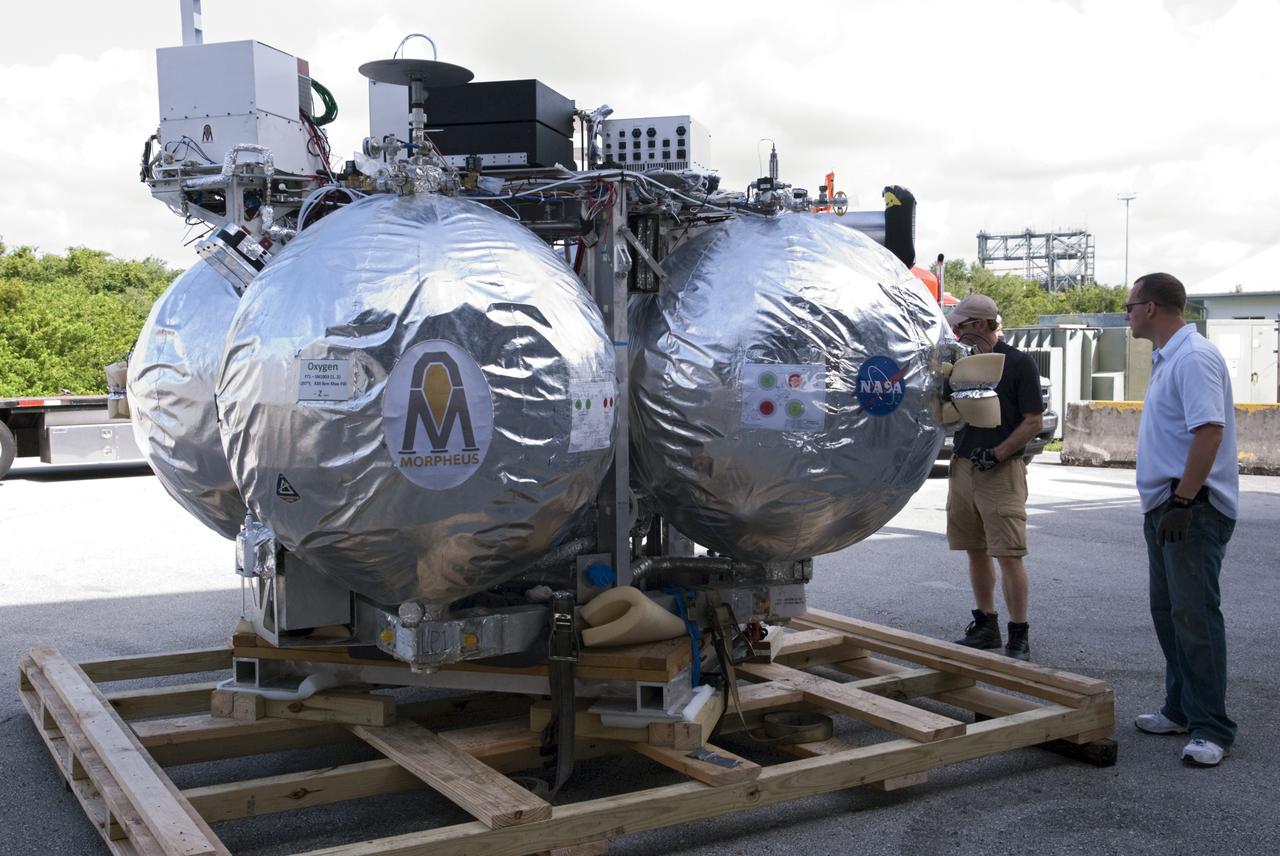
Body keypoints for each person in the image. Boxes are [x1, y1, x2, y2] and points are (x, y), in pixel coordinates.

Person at [1126, 272, 1239, 767]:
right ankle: (1180, 708)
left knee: (1194, 617)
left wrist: (1185, 501)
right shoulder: (1169, 357)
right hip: (1167, 505)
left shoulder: (1193, 357)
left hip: (1191, 509)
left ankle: (1211, 727)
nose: (1127, 315)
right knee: (1170, 613)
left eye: (1130, 306)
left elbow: (1209, 432)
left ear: (1151, 307)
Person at [945, 294, 1044, 660]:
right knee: (975, 548)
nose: (957, 333)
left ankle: (1019, 634)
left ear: (983, 324)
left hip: (1001, 470)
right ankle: (986, 624)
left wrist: (999, 452)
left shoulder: (1017, 363)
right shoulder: (961, 364)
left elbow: (1033, 421)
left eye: (962, 326)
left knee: (1008, 553)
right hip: (964, 464)